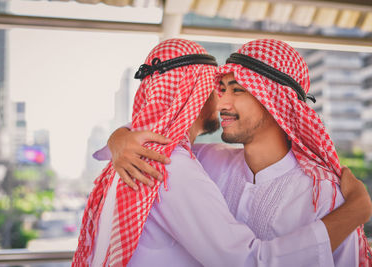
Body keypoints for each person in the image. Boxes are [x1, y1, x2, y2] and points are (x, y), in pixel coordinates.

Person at [99, 39, 372, 266]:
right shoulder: (205, 161)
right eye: (221, 89)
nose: (222, 102)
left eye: (237, 90)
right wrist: (120, 138)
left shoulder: (323, 194)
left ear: (275, 101)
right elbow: (163, 137)